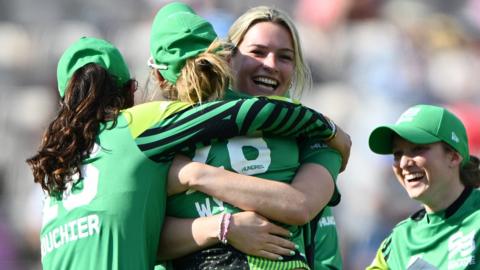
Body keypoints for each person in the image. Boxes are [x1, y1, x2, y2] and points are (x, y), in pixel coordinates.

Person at [26, 36, 347, 270]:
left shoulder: (54, 171)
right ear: (130, 91)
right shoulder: (134, 126)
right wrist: (330, 130)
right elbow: (237, 115)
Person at [154, 4, 346, 270]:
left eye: (285, 57)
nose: (270, 65)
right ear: (228, 58)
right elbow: (148, 238)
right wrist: (223, 227)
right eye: (257, 52)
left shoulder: (313, 139)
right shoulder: (181, 126)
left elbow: (301, 205)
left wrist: (195, 175)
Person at [366, 104, 480, 269]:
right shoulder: (399, 241)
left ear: (454, 157)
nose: (404, 163)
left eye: (417, 149)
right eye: (397, 154)